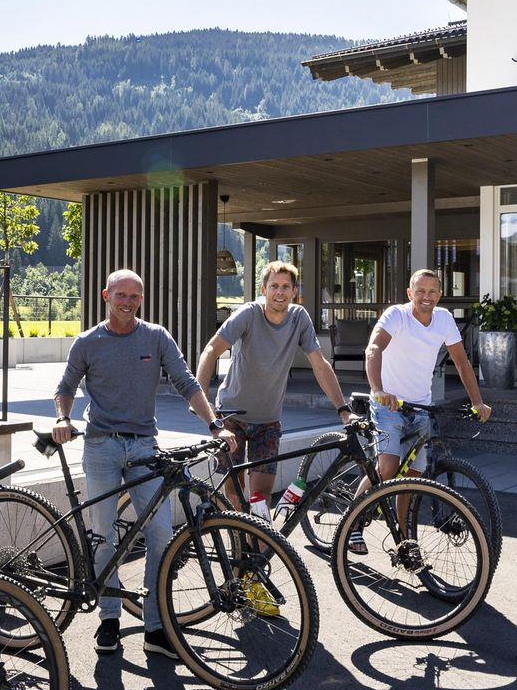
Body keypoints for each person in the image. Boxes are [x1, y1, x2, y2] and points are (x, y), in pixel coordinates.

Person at [52, 268, 225, 663]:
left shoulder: (156, 337)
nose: (128, 303)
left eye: (135, 296)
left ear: (141, 300)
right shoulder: (88, 342)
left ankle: (155, 626)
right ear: (105, 296)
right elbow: (65, 388)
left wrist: (215, 424)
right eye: (121, 295)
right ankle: (109, 619)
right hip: (101, 446)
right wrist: (63, 418)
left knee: (161, 534)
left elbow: (186, 383)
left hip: (145, 446)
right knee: (104, 536)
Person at [194, 259, 354, 517]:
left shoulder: (299, 318)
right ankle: (239, 537)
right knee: (234, 490)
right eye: (274, 286)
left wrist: (343, 410)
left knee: (261, 495)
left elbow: (319, 364)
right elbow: (211, 349)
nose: (279, 292)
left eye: (285, 287)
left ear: (294, 291)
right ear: (263, 289)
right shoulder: (249, 314)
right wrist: (200, 398)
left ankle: (256, 539)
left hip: (268, 420)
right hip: (231, 415)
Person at [364, 268, 493, 489]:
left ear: (440, 295)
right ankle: (355, 511)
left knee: (413, 475)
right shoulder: (396, 315)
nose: (427, 296)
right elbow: (373, 349)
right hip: (389, 405)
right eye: (420, 291)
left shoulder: (444, 319)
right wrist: (378, 390)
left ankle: (400, 516)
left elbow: (462, 362)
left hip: (420, 407)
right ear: (409, 293)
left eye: (432, 291)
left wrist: (477, 402)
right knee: (387, 468)